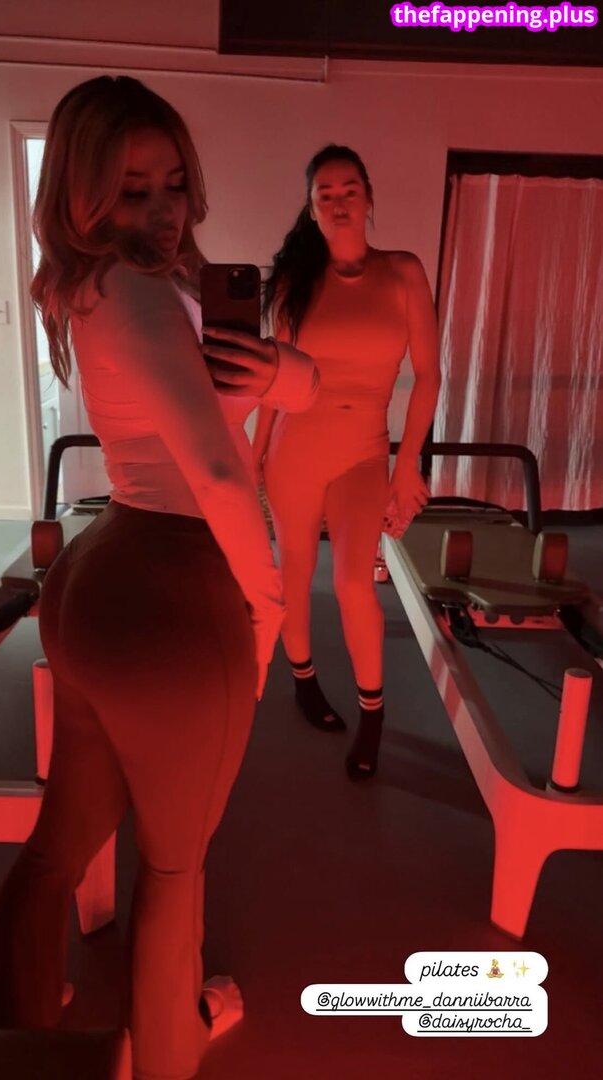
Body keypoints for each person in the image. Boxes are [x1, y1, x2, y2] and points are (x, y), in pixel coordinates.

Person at [0, 76, 318, 1080]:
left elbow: (302, 385)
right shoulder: (138, 289)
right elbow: (218, 474)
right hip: (174, 591)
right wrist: (271, 607)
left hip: (106, 574)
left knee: (57, 844)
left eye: (172, 185)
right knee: (172, 870)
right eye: (131, 192)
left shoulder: (119, 285)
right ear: (80, 196)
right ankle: (170, 1041)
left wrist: (277, 374)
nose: (162, 211)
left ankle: (6, 1045)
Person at [253, 144, 441, 781]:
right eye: (325, 194)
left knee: (355, 582)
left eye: (348, 189)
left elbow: (429, 376)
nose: (338, 202)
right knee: (296, 570)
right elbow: (275, 381)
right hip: (294, 451)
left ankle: (373, 715)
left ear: (368, 197)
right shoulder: (294, 282)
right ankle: (303, 681)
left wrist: (408, 465)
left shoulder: (404, 272)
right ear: (311, 207)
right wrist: (252, 457)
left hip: (364, 452)